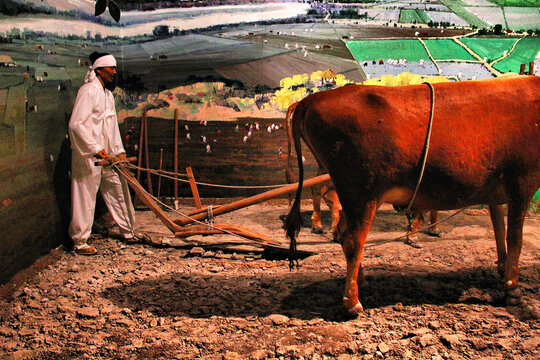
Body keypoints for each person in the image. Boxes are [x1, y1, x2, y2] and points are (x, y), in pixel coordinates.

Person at [68, 52, 138, 255]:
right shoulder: (87, 92)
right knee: (85, 197)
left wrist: (119, 151)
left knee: (118, 187)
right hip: (89, 156)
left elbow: (112, 126)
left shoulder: (107, 95)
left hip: (109, 156)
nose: (114, 72)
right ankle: (80, 242)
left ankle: (129, 231)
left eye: (115, 68)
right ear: (99, 69)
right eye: (111, 68)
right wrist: (93, 148)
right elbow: (76, 124)